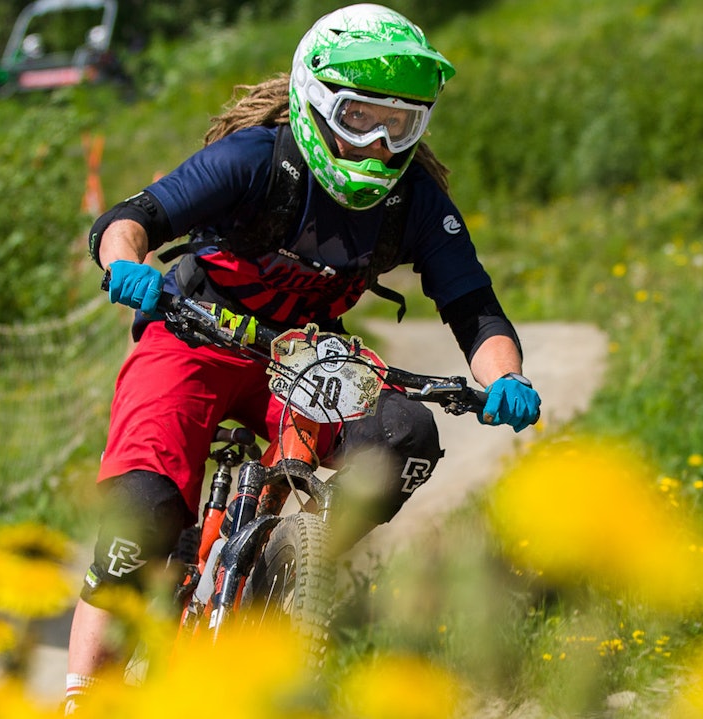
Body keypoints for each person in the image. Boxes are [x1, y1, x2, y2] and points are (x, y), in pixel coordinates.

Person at [64, 3, 541, 710]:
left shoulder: (414, 201)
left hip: (301, 357)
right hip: (193, 338)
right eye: (359, 119)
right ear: (316, 106)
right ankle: (81, 692)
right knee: (143, 508)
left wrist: (505, 374)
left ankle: (285, 565)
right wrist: (128, 266)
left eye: (399, 124)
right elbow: (132, 219)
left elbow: (473, 306)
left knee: (403, 436)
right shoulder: (256, 160)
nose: (379, 143)